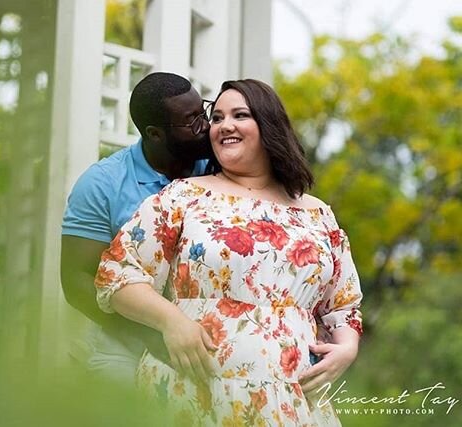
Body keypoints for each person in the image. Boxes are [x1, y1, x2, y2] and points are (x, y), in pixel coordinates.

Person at [94, 78, 363, 426]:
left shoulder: (317, 213)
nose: (224, 126)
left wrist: (347, 348)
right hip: (194, 393)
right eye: (217, 118)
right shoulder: (183, 197)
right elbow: (116, 275)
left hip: (290, 400)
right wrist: (171, 321)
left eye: (239, 115)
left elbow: (342, 303)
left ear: (269, 127)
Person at [60, 72, 212, 383]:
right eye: (192, 121)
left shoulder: (217, 166)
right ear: (155, 134)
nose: (206, 127)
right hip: (123, 347)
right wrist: (154, 337)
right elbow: (76, 281)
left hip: (206, 344)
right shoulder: (101, 184)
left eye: (204, 112)